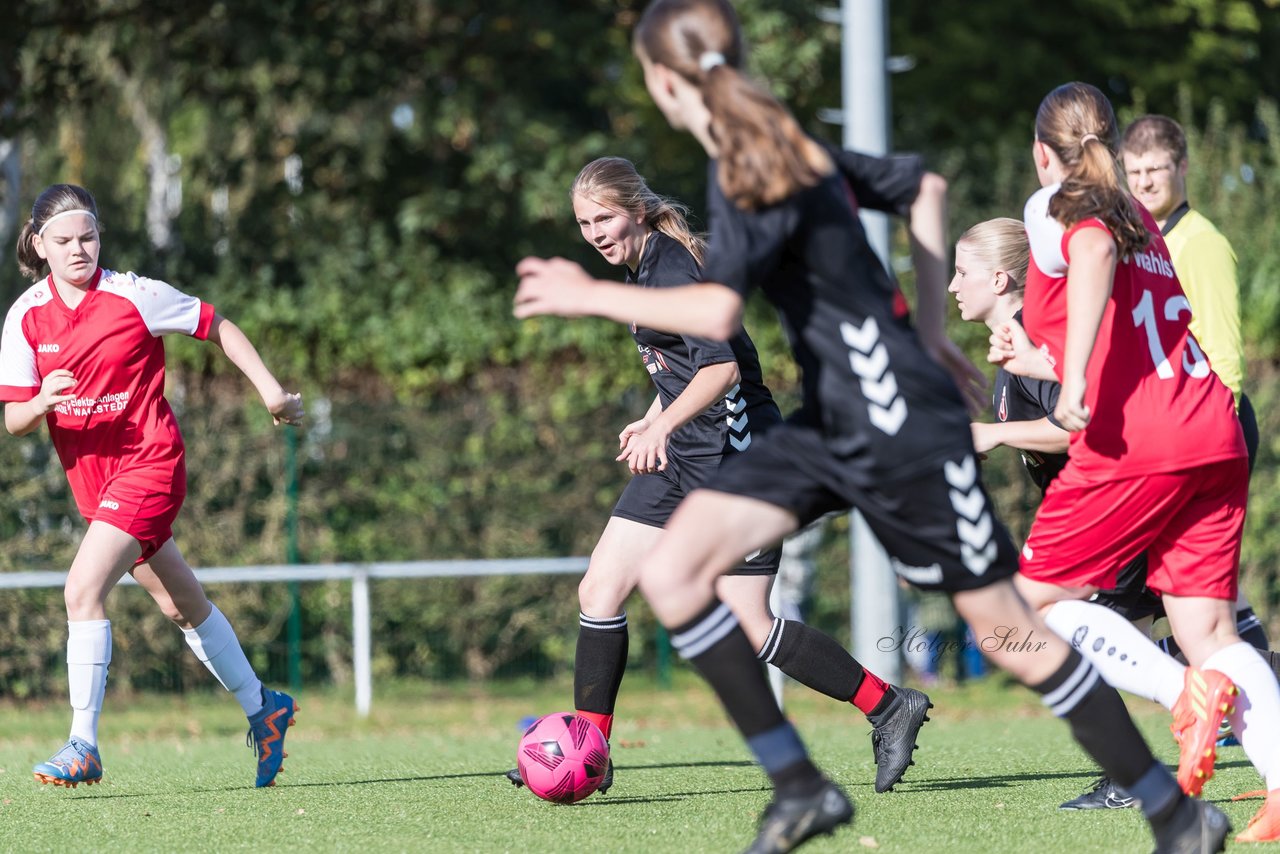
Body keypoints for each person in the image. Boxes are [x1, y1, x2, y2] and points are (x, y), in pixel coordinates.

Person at [515, 4, 1221, 851]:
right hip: (829, 424)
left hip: (897, 429)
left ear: (664, 81)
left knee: (1009, 632)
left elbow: (715, 314)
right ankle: (802, 789)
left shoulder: (750, 164)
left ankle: (1172, 810)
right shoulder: (772, 143)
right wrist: (925, 326)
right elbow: (919, 187)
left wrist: (586, 294)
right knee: (673, 576)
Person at [505, 156, 932, 797]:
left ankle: (887, 704)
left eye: (605, 217)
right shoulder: (645, 267)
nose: (594, 232)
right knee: (600, 590)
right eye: (584, 222)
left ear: (639, 210)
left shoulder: (672, 268)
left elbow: (723, 371)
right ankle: (590, 748)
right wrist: (652, 419)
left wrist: (660, 427)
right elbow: (678, 370)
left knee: (749, 622)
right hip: (683, 460)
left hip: (740, 459)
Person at [988, 81, 1280, 843]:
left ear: (1041, 153)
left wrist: (1071, 376)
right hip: (1211, 430)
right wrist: (1053, 362)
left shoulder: (1058, 208)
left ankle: (1184, 693)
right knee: (1209, 626)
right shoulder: (1144, 221)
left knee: (1010, 620)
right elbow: (1142, 346)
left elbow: (1083, 250)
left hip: (1140, 444)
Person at [0, 184, 302, 789]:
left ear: (99, 235)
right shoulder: (25, 316)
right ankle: (263, 707)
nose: (79, 248)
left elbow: (218, 326)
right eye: (63, 240)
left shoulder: (135, 295)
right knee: (179, 603)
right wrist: (41, 403)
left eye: (88, 236)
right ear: (39, 244)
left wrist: (270, 390)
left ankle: (82, 742)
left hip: (150, 465)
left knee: (82, 588)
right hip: (97, 487)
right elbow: (13, 420)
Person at [1121, 115, 1270, 664]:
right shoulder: (1152, 240)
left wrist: (1212, 441)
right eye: (1133, 171)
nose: (1144, 182)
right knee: (1202, 594)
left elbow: (1225, 356)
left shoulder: (1200, 243)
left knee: (1194, 593)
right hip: (1180, 430)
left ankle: (1235, 695)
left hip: (1210, 429)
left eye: (1156, 168)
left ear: (1182, 167)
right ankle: (1247, 690)